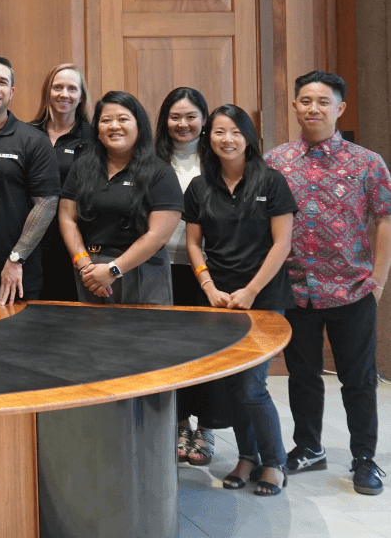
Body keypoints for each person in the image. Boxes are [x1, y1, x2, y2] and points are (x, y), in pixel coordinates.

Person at [266, 71, 390, 495]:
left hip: (352, 289)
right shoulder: (275, 162)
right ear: (296, 106)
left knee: (358, 379)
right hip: (296, 289)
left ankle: (364, 458)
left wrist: (378, 280)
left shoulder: (366, 162)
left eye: (323, 101)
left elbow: (385, 220)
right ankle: (308, 447)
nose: (313, 108)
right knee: (302, 375)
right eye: (305, 100)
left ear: (339, 108)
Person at [184, 105, 297, 498]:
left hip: (263, 298)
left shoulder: (272, 181)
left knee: (251, 386)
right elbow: (194, 244)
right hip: (219, 300)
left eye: (234, 131)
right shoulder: (199, 187)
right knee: (233, 387)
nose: (226, 139)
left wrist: (250, 290)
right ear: (208, 138)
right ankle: (247, 458)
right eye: (218, 132)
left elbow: (282, 243)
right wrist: (209, 286)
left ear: (248, 136)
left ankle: (275, 463)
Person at [153, 87, 225, 466]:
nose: (183, 124)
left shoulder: (217, 158)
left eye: (191, 116)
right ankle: (179, 424)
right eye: (175, 116)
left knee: (207, 351)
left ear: (204, 119)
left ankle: (207, 429)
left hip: (208, 271)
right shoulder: (151, 159)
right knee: (170, 351)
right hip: (161, 267)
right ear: (165, 119)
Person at [58, 91, 182, 305]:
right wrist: (85, 265)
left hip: (142, 269)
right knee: (94, 337)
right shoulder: (82, 167)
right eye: (106, 120)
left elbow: (158, 235)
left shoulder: (160, 171)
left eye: (123, 119)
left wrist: (114, 269)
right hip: (92, 274)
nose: (114, 126)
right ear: (97, 130)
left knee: (143, 337)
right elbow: (67, 217)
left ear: (139, 126)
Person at [0, 55, 60, 307]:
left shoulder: (33, 140)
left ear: (11, 91)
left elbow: (46, 204)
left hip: (15, 271)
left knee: (14, 344)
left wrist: (16, 259)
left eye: (2, 82)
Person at [31, 63, 95, 302]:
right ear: (48, 91)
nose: (64, 94)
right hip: (32, 243)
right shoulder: (27, 134)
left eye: (71, 88)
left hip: (76, 244)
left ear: (81, 96)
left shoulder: (94, 140)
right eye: (57, 87)